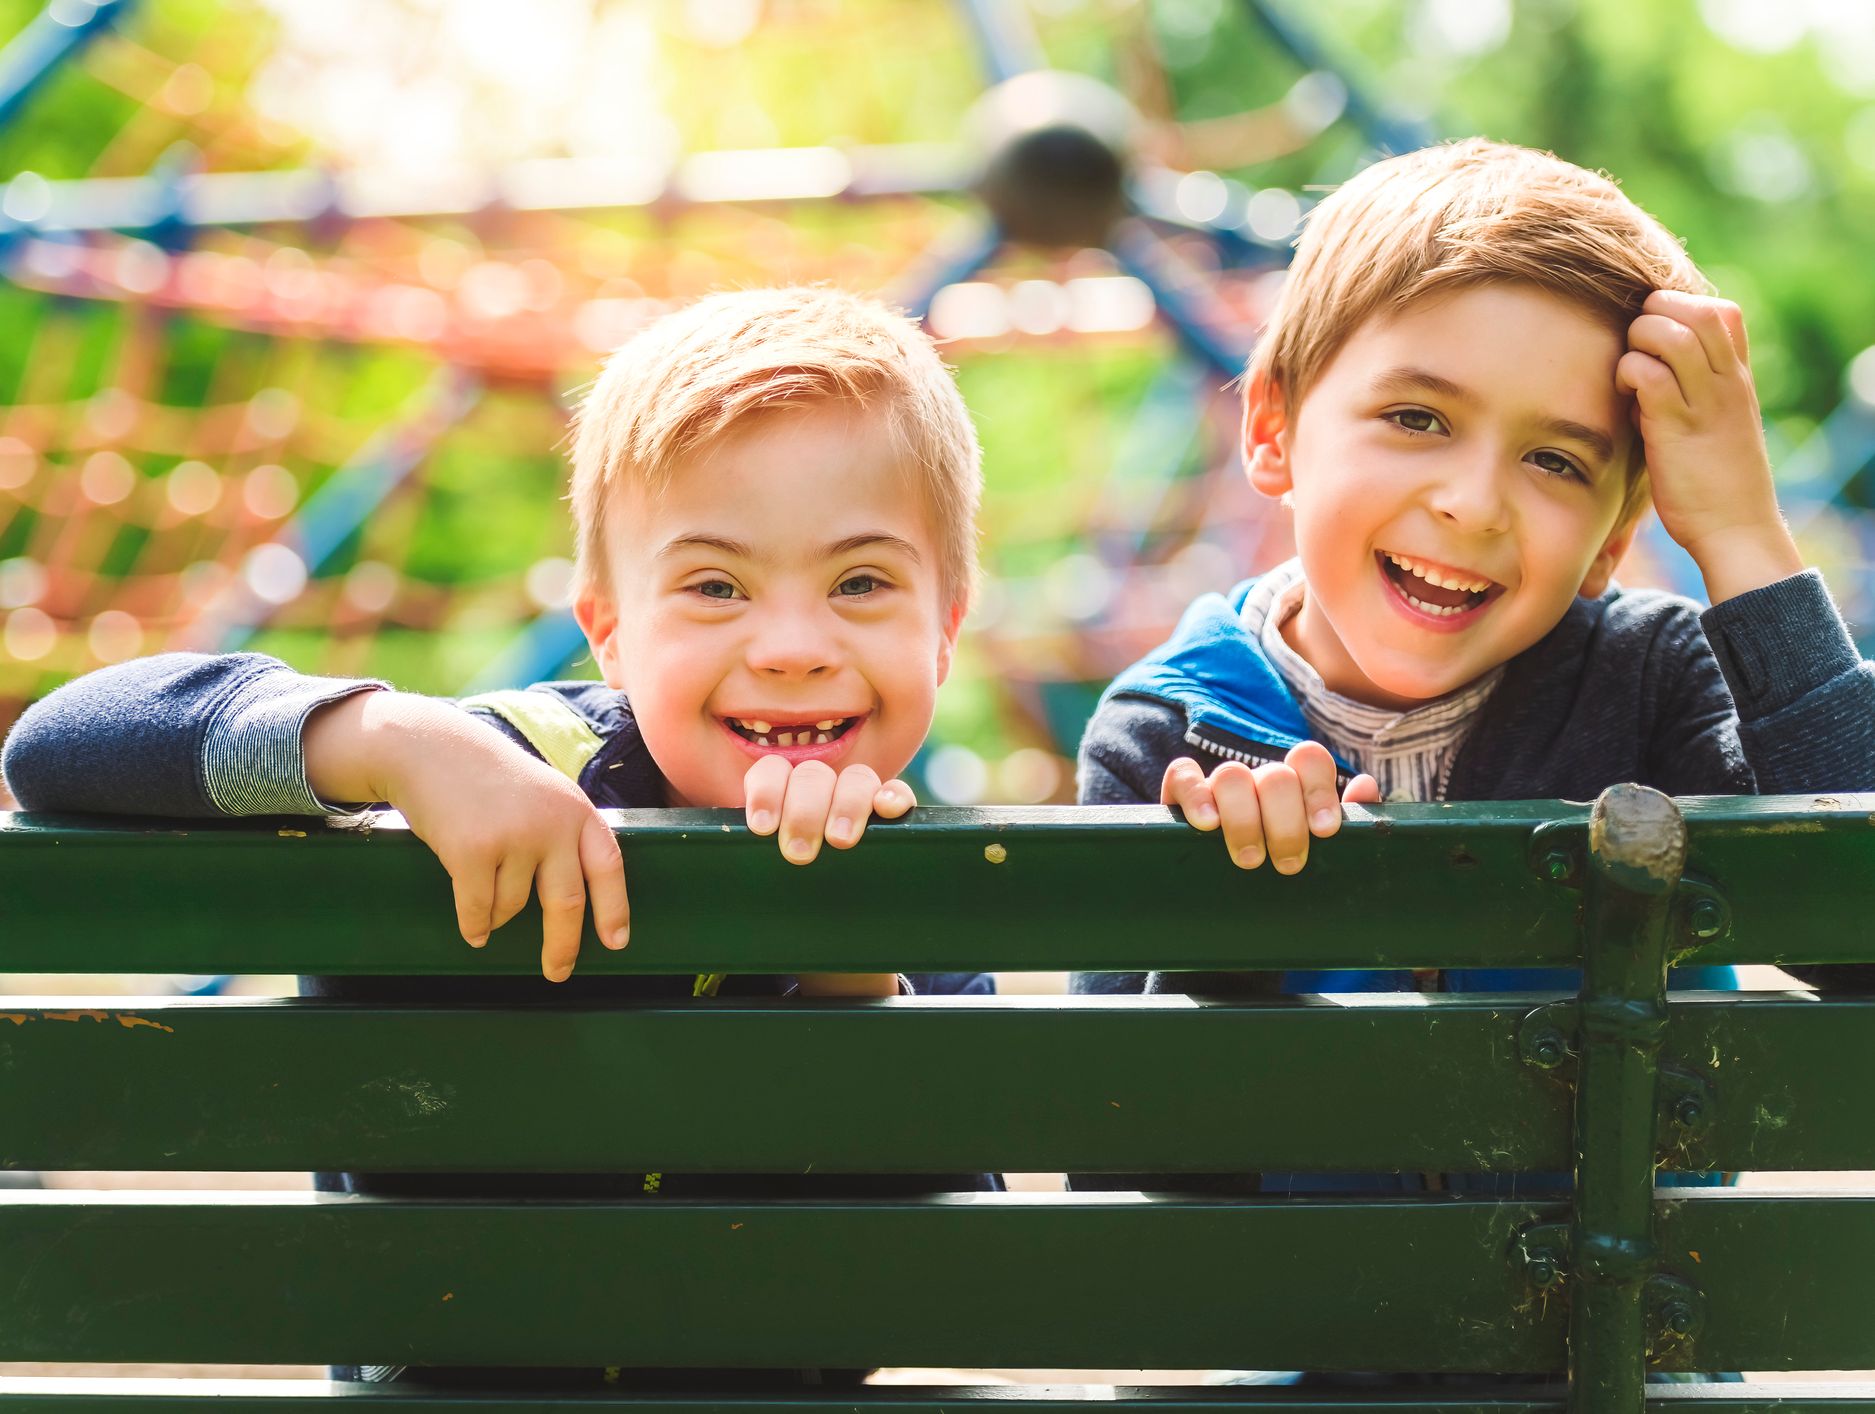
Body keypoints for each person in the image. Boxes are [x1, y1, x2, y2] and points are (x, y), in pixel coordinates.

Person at [2, 285, 991, 1388]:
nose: (794, 644)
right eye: (716, 585)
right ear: (608, 631)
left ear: (943, 627)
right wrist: (380, 737)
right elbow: (53, 746)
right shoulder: (495, 769)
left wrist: (847, 970)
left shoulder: (921, 884)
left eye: (859, 581)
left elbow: (949, 1282)